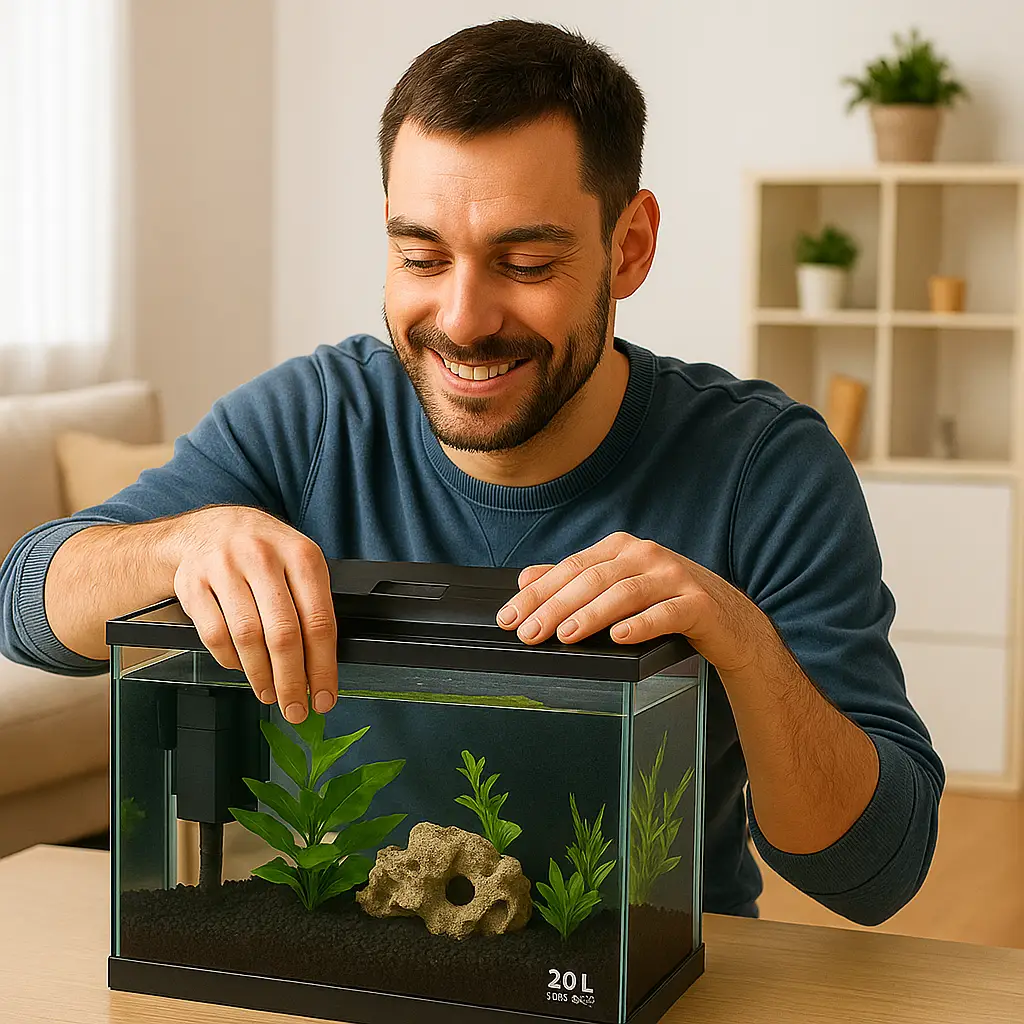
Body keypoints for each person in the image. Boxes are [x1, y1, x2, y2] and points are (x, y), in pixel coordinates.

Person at [0, 19, 941, 926]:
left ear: (631, 245)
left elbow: (876, 872)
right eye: (421, 255)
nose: (463, 317)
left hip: (656, 988)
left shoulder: (763, 467)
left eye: (525, 261)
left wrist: (738, 637)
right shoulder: (311, 418)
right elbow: (28, 611)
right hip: (349, 961)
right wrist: (184, 545)